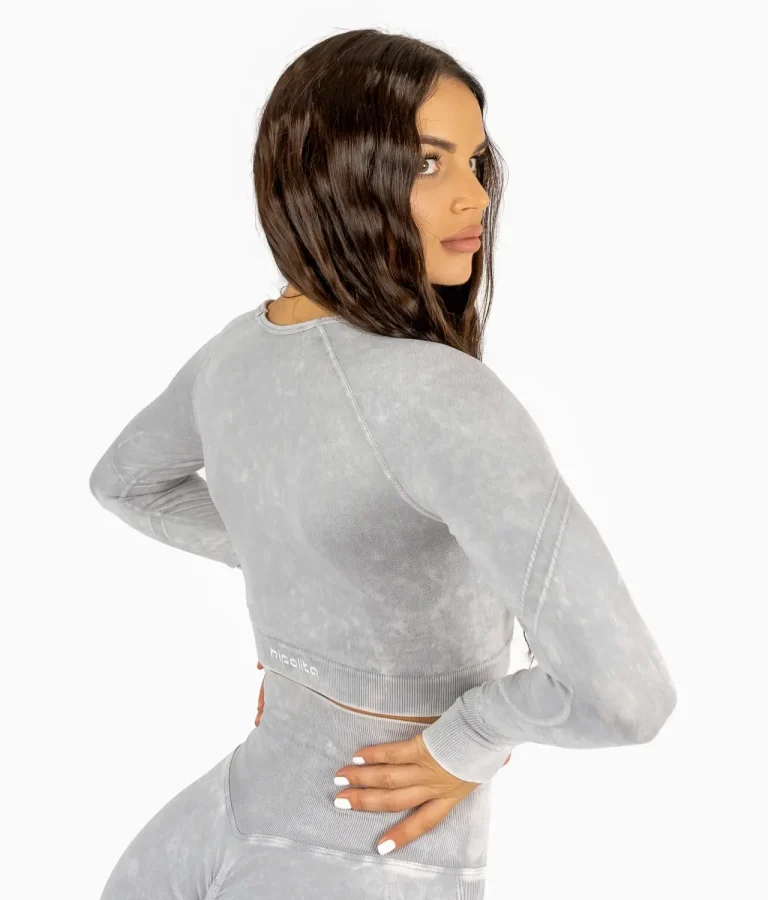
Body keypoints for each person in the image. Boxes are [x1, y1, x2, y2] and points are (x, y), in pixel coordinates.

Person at [89, 28, 677, 900]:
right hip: (363, 861)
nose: (476, 197)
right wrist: (468, 738)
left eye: (476, 161)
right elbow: (627, 694)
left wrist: (297, 560)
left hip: (210, 826)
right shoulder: (441, 396)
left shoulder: (237, 353)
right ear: (335, 178)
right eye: (428, 163)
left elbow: (126, 481)